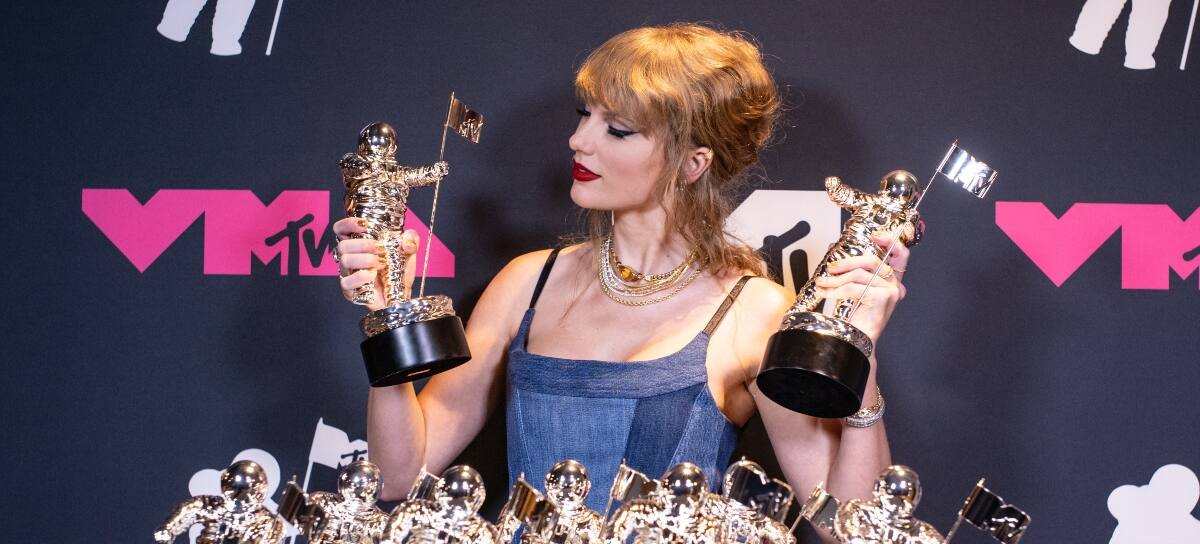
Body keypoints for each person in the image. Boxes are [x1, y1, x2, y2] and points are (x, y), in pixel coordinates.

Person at [332, 23, 910, 541]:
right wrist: (385, 312)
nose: (579, 141)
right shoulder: (527, 283)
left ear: (693, 163)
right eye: (584, 115)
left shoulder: (752, 310)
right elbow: (397, 478)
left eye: (618, 129)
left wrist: (857, 359)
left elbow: (850, 527)